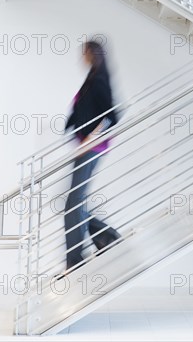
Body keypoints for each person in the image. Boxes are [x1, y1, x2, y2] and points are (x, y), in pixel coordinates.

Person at [63, 39, 121, 273]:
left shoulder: (98, 81)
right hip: (85, 149)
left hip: (92, 149)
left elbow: (112, 116)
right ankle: (105, 238)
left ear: (92, 54)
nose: (82, 57)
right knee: (75, 202)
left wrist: (90, 139)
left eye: (84, 53)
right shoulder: (92, 79)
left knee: (73, 203)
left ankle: (76, 260)